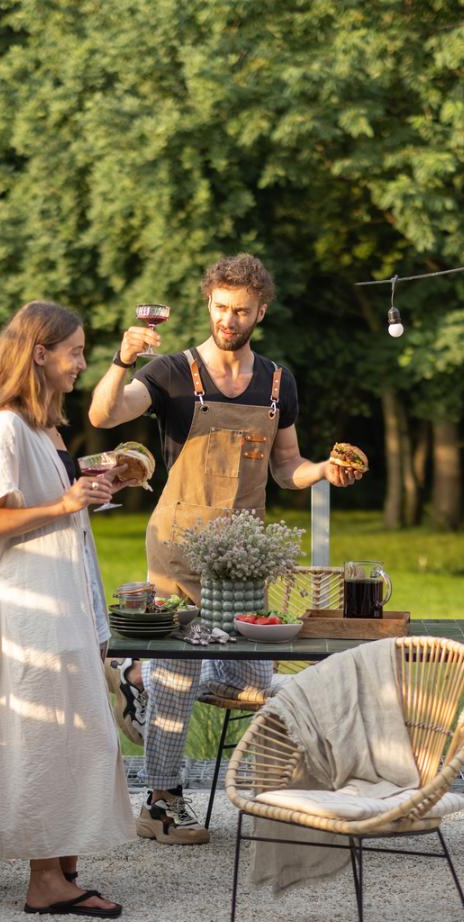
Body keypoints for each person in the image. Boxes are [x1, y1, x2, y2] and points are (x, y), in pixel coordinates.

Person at [89, 253, 362, 845]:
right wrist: (121, 359)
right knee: (180, 674)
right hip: (177, 549)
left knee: (248, 678)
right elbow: (103, 413)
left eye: (241, 310)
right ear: (207, 303)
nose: (229, 319)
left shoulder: (276, 381)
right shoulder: (167, 372)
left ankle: (136, 673)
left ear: (260, 310)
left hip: (244, 561)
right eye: (220, 307)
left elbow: (287, 467)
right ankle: (161, 801)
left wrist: (322, 474)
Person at [0, 301, 134, 916]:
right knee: (44, 732)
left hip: (67, 600)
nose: (81, 363)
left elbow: (56, 503)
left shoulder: (46, 429)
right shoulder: (5, 427)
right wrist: (65, 505)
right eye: (74, 351)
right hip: (33, 609)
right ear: (39, 353)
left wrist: (91, 493)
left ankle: (63, 866)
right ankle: (44, 881)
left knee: (77, 732)